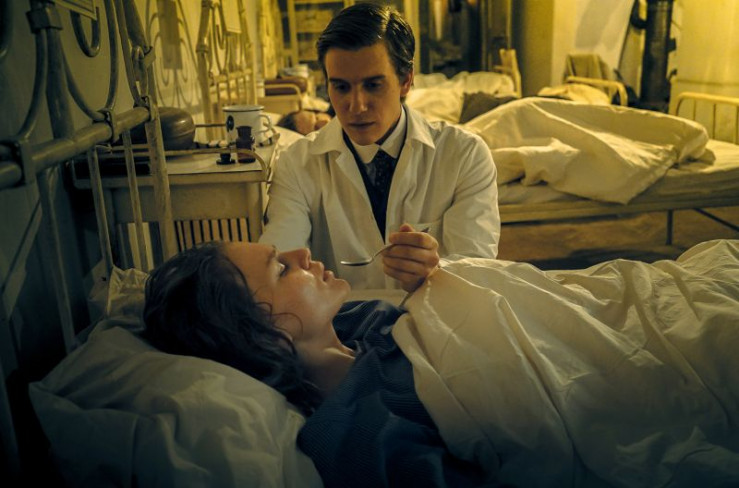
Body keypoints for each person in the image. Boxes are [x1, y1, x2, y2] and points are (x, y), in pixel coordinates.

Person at [143, 240, 488, 487]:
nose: (302, 253)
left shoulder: (359, 320)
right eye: (281, 268)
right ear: (265, 334)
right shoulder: (356, 439)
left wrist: (432, 281)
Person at [259, 3, 500, 292]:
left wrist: (437, 271)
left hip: (437, 316)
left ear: (406, 80)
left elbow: (477, 272)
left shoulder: (464, 155)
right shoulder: (297, 164)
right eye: (341, 87)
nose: (356, 106)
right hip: (342, 320)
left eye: (373, 85)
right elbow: (280, 262)